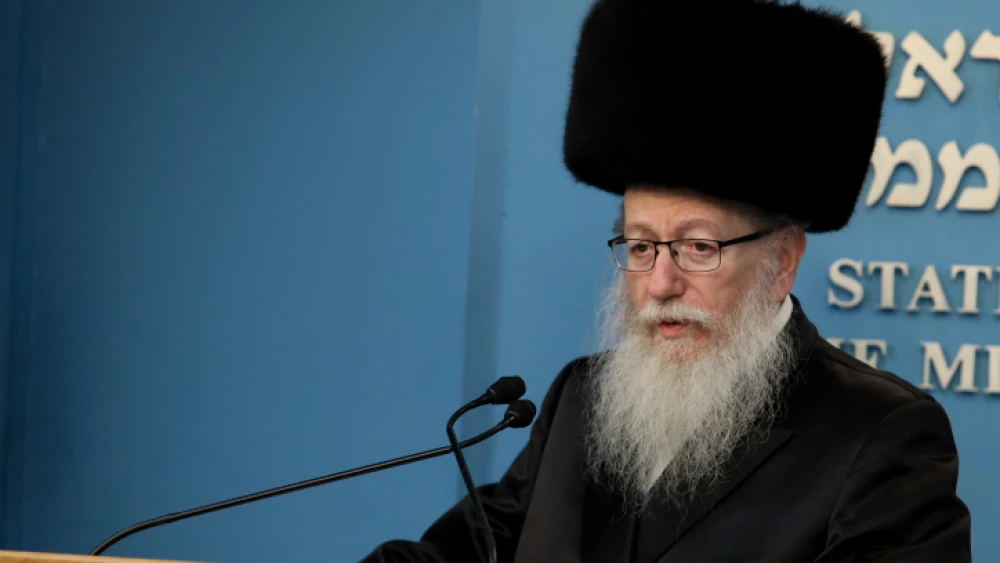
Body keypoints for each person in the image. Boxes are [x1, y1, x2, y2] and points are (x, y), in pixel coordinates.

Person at [363, 0, 973, 561]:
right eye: (640, 246)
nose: (660, 284)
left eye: (698, 247)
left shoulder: (880, 433)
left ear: (783, 259)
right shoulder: (583, 396)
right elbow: (475, 547)